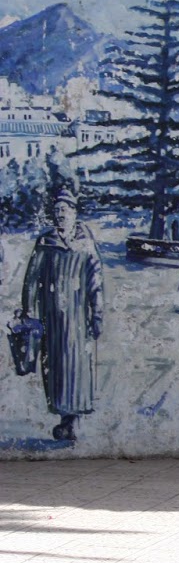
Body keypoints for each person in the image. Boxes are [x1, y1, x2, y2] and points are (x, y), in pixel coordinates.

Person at [21, 187, 103, 444]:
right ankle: (65, 418)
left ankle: (72, 420)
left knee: (77, 367)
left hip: (78, 318)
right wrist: (28, 311)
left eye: (64, 210)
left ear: (74, 213)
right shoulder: (45, 243)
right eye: (56, 210)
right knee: (56, 367)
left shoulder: (85, 243)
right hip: (52, 318)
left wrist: (97, 314)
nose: (60, 214)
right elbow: (31, 280)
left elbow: (95, 281)